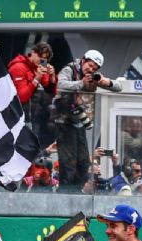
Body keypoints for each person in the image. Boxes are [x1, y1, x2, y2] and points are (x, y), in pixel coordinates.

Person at [53, 49, 122, 189]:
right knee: (68, 164)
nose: (90, 69)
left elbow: (119, 87)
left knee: (84, 163)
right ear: (83, 60)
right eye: (89, 65)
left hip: (79, 123)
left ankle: (77, 194)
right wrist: (81, 83)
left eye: (94, 68)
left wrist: (105, 82)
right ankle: (65, 195)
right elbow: (60, 84)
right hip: (64, 122)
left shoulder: (93, 76)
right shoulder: (70, 69)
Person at [8, 42, 56, 108]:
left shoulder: (41, 64)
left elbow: (49, 92)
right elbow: (21, 98)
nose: (41, 60)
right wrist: (36, 79)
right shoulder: (18, 67)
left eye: (44, 58)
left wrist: (52, 77)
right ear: (32, 52)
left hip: (35, 112)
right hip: (17, 111)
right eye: (39, 56)